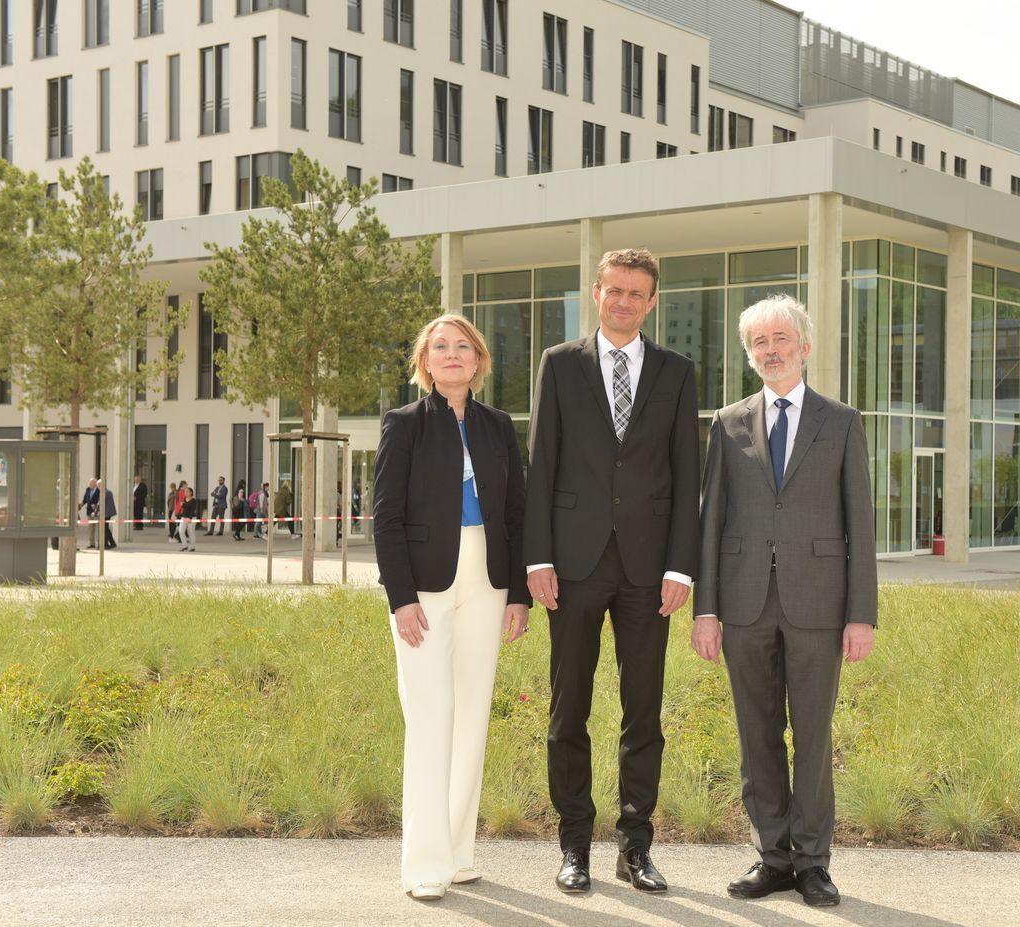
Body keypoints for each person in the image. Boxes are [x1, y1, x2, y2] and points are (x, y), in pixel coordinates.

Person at [524, 248, 700, 895]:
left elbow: (687, 473)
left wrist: (682, 564)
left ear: (651, 301)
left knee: (642, 712)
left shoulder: (677, 372)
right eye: (614, 290)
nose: (624, 301)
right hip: (570, 564)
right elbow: (540, 464)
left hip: (649, 568)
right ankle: (574, 846)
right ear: (595, 293)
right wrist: (536, 558)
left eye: (636, 293)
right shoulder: (559, 365)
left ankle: (635, 847)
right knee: (567, 709)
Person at [692, 296, 878, 908]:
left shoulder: (841, 420)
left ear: (804, 345)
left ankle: (813, 862)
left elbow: (861, 526)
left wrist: (861, 613)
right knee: (757, 734)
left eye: (780, 338)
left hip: (820, 604)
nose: (770, 350)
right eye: (759, 343)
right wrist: (706, 609)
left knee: (815, 734)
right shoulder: (728, 422)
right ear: (750, 355)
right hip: (743, 604)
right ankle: (772, 857)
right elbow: (711, 522)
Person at [373, 314, 531, 901]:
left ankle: (459, 852)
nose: (452, 354)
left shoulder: (498, 426)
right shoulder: (404, 424)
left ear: (478, 359)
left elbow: (516, 512)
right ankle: (424, 862)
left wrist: (517, 593)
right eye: (440, 347)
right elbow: (385, 518)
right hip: (425, 585)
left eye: (462, 346)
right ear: (425, 362)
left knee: (471, 716)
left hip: (487, 580)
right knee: (431, 715)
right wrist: (402, 598)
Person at [177, 485, 199, 551]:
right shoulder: (184, 499)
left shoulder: (193, 500)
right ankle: (185, 545)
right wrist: (182, 505)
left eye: (187, 491)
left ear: (191, 493)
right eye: (185, 492)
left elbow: (192, 510)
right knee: (181, 531)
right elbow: (185, 508)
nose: (185, 493)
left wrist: (189, 518)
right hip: (184, 517)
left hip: (191, 518)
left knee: (191, 532)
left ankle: (192, 547)